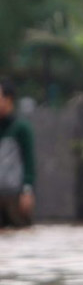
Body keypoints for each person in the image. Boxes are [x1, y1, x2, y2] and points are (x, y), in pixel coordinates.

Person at [0, 79, 35, 228]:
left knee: (21, 234)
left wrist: (27, 191)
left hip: (15, 195)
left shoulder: (21, 128)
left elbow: (29, 161)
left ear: (8, 99)